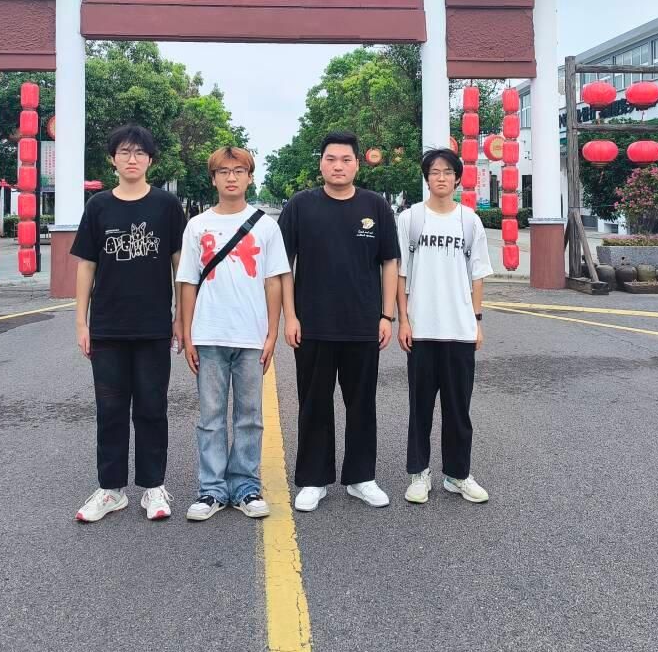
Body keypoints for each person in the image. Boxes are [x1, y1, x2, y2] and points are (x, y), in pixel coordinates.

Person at [279, 131, 399, 512]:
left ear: (357, 164)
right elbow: (282, 267)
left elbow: (390, 262)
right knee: (313, 403)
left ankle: (361, 478)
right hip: (312, 324)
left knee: (361, 403)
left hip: (363, 324)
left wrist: (387, 315)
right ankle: (313, 480)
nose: (338, 166)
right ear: (321, 163)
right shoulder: (300, 206)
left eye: (346, 160)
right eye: (331, 159)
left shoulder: (376, 206)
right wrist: (290, 316)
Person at [72, 124, 186, 523]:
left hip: (154, 325)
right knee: (110, 409)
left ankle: (154, 486)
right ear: (113, 160)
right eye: (124, 152)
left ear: (150, 159)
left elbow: (179, 265)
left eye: (139, 152)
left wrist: (181, 317)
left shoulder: (166, 206)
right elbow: (86, 266)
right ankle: (111, 489)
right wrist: (81, 322)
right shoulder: (99, 206)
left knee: (153, 407)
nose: (132, 159)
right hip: (107, 326)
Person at [176, 147, 290, 521]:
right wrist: (187, 332)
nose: (231, 177)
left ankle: (245, 486)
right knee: (210, 416)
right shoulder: (197, 225)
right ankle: (211, 489)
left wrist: (272, 332)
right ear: (213, 179)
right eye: (223, 171)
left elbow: (274, 280)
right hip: (209, 334)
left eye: (239, 170)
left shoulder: (266, 226)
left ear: (249, 177)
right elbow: (187, 281)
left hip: (250, 336)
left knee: (250, 415)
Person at [397, 148, 493, 505]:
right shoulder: (410, 219)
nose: (441, 177)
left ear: (457, 178)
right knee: (420, 408)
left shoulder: (469, 221)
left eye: (447, 172)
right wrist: (403, 320)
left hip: (459, 330)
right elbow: (401, 274)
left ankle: (457, 474)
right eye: (434, 171)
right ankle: (419, 473)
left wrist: (477, 321)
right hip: (421, 330)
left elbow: (477, 275)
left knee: (458, 410)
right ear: (426, 178)